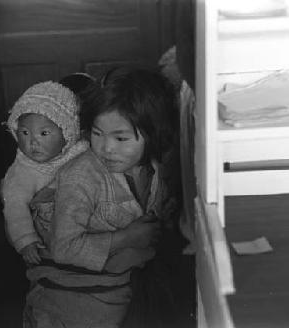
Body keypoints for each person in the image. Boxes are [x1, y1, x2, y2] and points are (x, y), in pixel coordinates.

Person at [23, 66, 179, 328]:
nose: (106, 148)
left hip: (121, 286)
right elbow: (64, 249)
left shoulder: (153, 168)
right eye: (97, 134)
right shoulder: (81, 176)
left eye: (121, 138)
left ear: (153, 134)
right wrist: (126, 238)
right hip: (72, 299)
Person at [1, 81, 89, 266]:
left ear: (67, 132)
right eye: (24, 132)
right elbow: (15, 207)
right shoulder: (22, 171)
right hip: (47, 238)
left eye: (44, 133)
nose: (33, 142)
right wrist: (26, 240)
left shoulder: (81, 151)